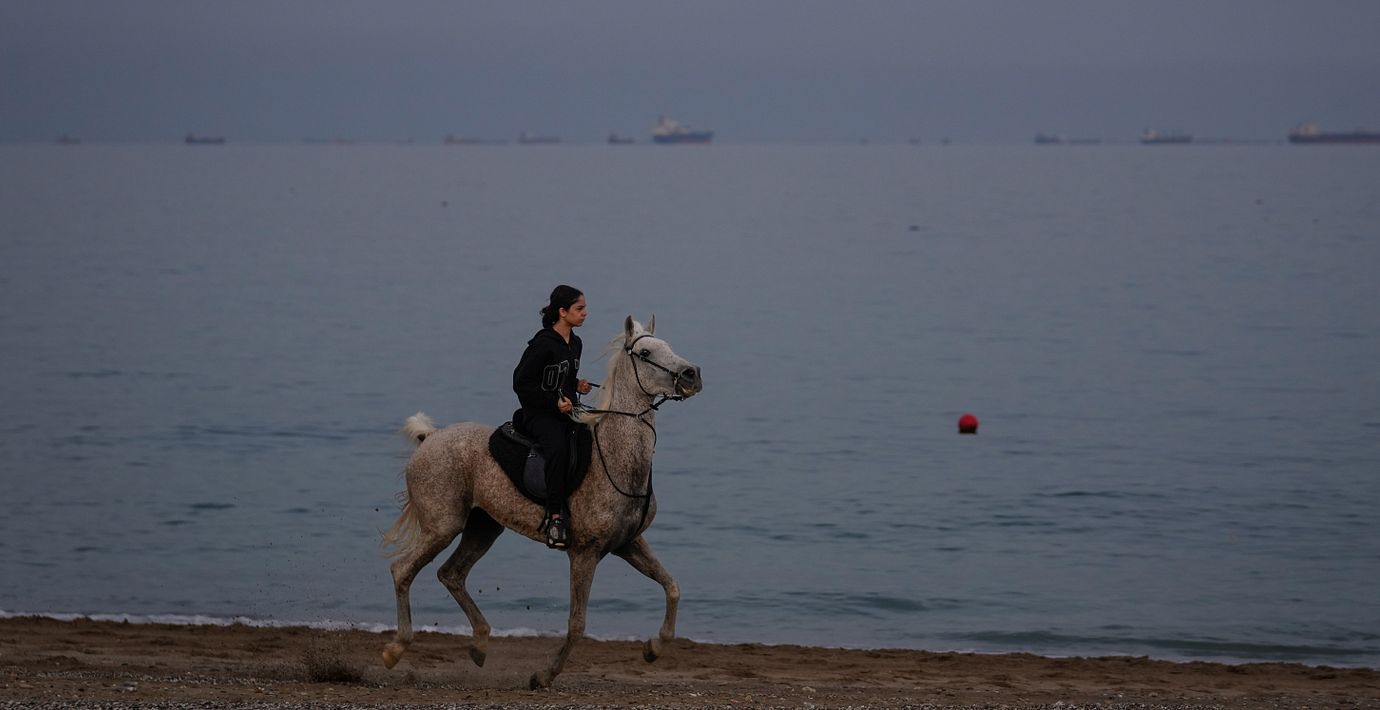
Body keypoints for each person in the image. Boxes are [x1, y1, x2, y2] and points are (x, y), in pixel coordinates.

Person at [512, 285, 592, 549]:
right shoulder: (542, 344)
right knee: (557, 448)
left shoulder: (576, 343)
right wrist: (553, 403)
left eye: (584, 308)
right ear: (562, 312)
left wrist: (577, 385)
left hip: (567, 411)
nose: (585, 314)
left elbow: (562, 378)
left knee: (591, 439)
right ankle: (555, 517)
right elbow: (521, 383)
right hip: (539, 415)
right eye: (579, 309)